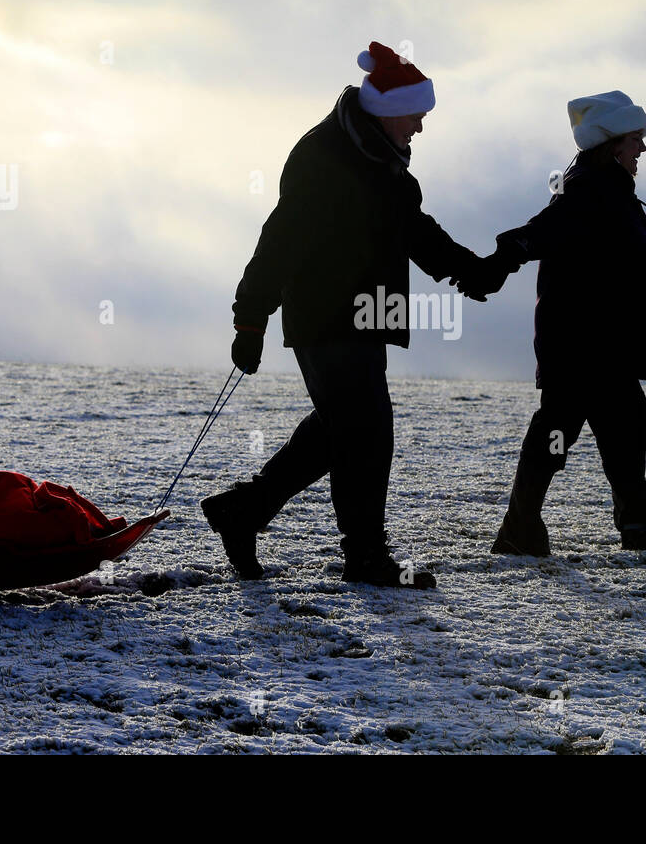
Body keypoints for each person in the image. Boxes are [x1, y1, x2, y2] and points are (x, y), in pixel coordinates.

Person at [201, 42, 486, 588]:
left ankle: (244, 512)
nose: (421, 129)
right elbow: (280, 238)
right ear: (387, 110)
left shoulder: (381, 159)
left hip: (366, 315)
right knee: (366, 432)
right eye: (417, 116)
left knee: (340, 430)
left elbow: (414, 230)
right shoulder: (325, 155)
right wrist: (250, 317)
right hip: (326, 316)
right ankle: (367, 558)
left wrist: (467, 271)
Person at [456, 91, 646, 556]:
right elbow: (542, 232)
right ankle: (531, 527)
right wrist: (500, 262)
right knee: (562, 431)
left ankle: (616, 525)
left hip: (600, 343)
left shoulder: (604, 185)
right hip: (585, 344)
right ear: (612, 143)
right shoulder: (590, 188)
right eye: (634, 139)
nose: (641, 149)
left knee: (618, 424)